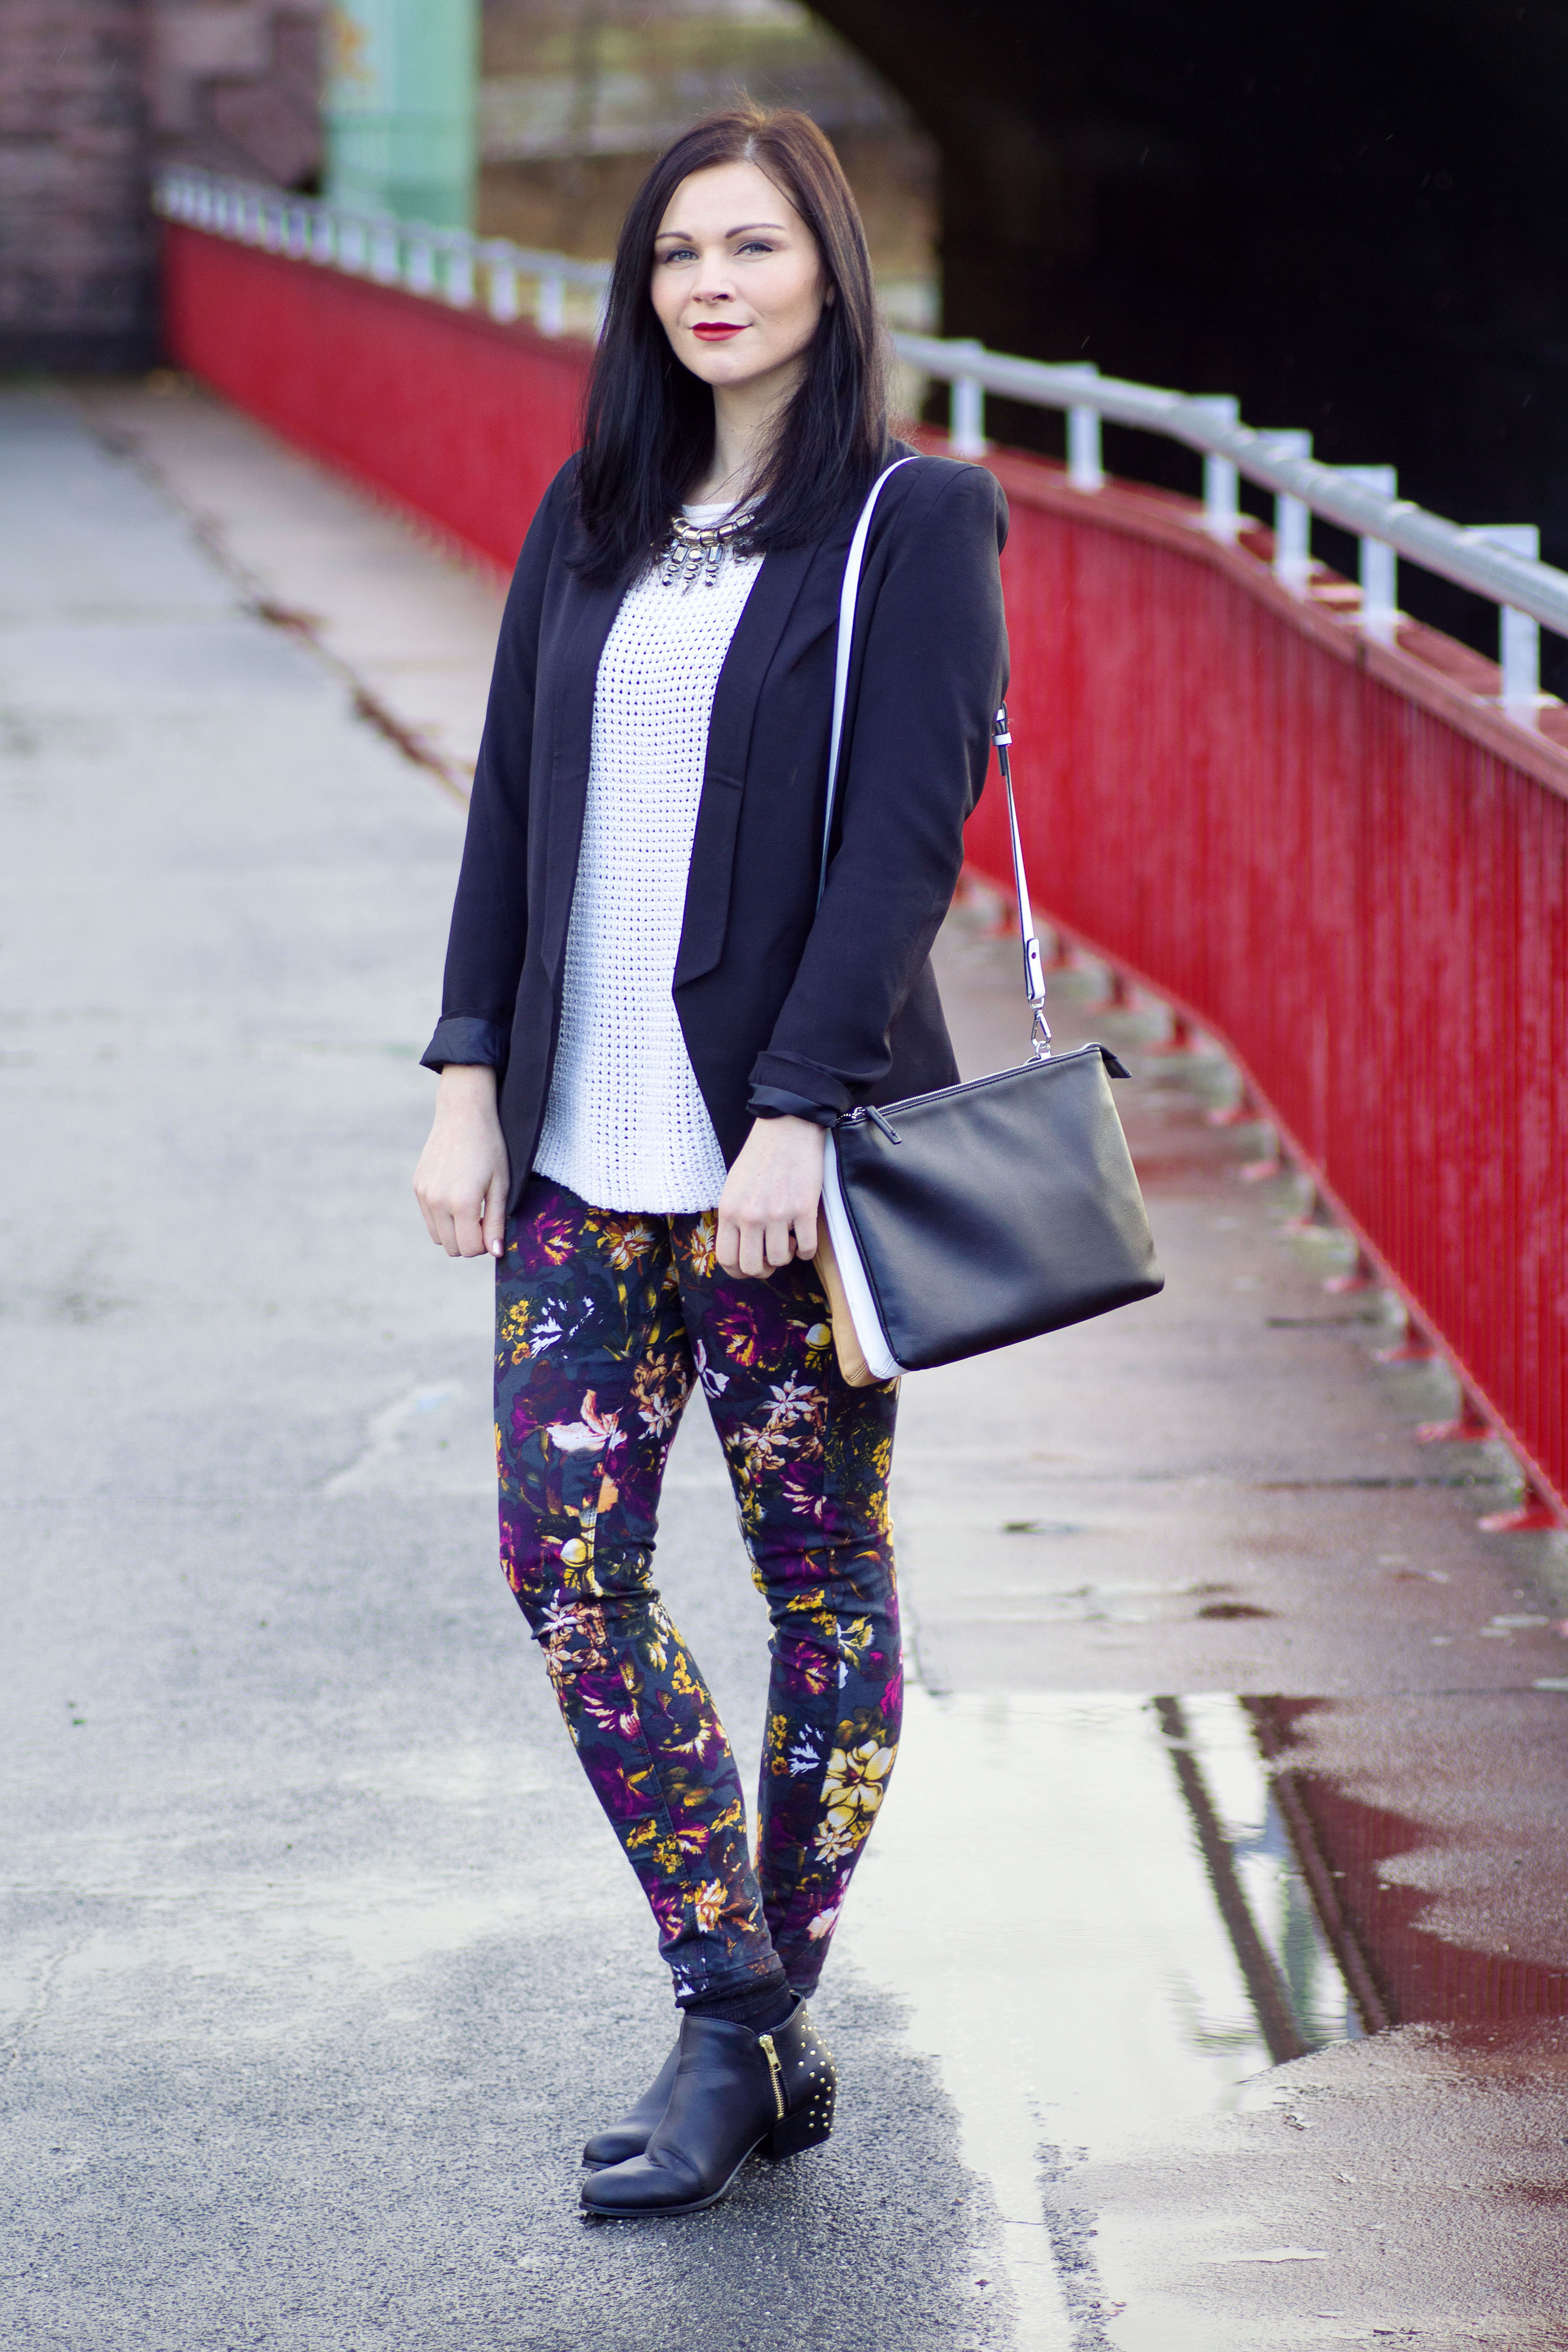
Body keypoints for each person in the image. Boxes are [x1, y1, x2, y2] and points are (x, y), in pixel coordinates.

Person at [413, 103, 1007, 2220]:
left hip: (778, 1167)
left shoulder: (911, 524)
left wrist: (797, 1113)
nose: (711, 284)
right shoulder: (593, 508)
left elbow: (905, 845)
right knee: (560, 1558)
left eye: (752, 245)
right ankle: (738, 2004)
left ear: (830, 266)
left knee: (819, 1576)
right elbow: (510, 807)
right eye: (678, 252)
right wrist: (467, 1074)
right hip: (585, 1152)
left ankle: (738, 2033)